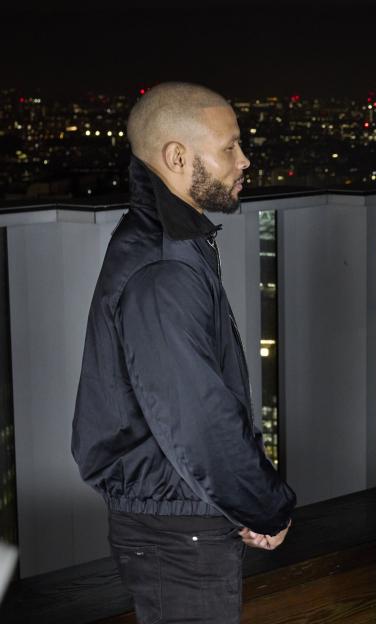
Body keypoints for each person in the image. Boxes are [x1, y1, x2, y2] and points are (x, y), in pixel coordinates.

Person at [72, 82, 296, 624]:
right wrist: (265, 505)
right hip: (178, 533)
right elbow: (196, 417)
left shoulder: (169, 242)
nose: (244, 160)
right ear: (177, 157)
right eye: (229, 147)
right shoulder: (165, 266)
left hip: (178, 516)